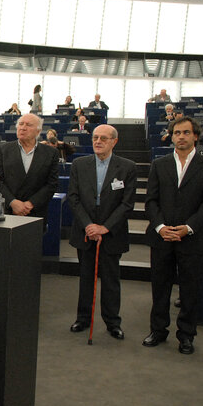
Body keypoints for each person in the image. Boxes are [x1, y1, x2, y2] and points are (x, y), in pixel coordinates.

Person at [142, 117, 203, 355]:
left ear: (195, 136)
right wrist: (160, 227)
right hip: (161, 237)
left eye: (186, 132)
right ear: (171, 136)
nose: (181, 136)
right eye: (177, 133)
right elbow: (151, 201)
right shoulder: (159, 164)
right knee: (160, 287)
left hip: (192, 238)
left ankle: (186, 335)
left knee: (189, 290)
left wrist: (188, 228)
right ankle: (158, 330)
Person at [68, 125, 136, 340]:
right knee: (86, 277)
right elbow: (74, 198)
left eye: (103, 138)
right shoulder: (79, 164)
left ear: (114, 142)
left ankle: (112, 322)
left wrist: (105, 227)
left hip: (112, 232)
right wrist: (89, 225)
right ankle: (83, 318)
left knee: (110, 279)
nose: (98, 141)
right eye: (95, 137)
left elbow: (127, 203)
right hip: (85, 231)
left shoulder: (127, 167)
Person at [0, 114, 59, 230]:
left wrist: (30, 204)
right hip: (8, 213)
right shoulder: (3, 150)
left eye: (28, 125)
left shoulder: (51, 153)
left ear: (38, 131)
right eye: (21, 124)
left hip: (35, 213)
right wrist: (13, 202)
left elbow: (52, 184)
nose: (23, 128)